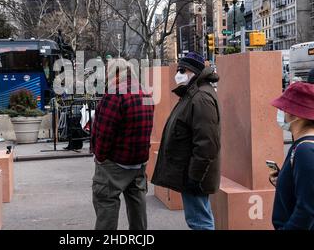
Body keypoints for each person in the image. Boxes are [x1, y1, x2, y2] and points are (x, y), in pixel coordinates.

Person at [151, 52, 221, 230]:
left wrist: (195, 177)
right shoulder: (192, 94)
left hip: (194, 175)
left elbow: (207, 144)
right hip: (190, 173)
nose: (178, 74)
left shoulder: (201, 98)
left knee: (199, 221)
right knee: (198, 218)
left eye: (182, 70)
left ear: (194, 72)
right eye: (178, 69)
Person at [90, 58, 154, 230]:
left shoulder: (114, 94)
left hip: (115, 163)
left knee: (106, 204)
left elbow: (104, 132)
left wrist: (100, 157)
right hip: (139, 162)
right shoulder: (145, 92)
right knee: (137, 204)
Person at [270, 82, 314, 230]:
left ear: (295, 114)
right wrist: (285, 180)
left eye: (284, 109)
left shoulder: (306, 151)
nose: (282, 112)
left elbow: (308, 209)